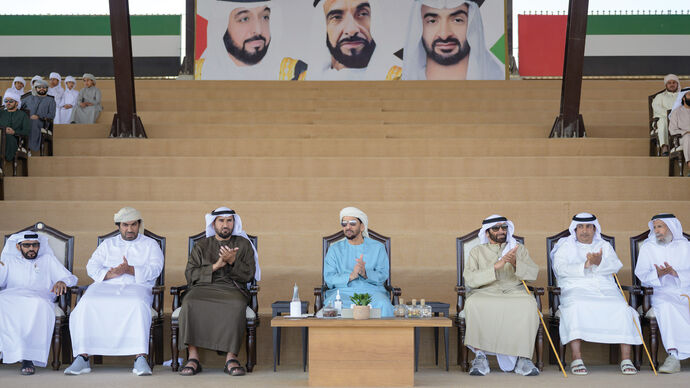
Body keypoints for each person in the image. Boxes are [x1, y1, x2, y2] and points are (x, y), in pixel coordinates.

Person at [64, 207, 163, 376]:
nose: (129, 229)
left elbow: (155, 269)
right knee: (86, 304)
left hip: (137, 287)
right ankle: (83, 357)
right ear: (119, 226)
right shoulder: (108, 244)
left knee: (137, 305)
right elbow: (92, 266)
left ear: (139, 225)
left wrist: (130, 269)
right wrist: (111, 273)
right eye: (125, 225)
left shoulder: (150, 244)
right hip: (105, 286)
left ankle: (140, 357)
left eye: (133, 225)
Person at [551, 212, 641, 375]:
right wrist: (585, 264)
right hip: (575, 288)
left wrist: (600, 262)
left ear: (595, 228)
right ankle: (577, 358)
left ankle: (626, 359)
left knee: (622, 308)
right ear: (575, 229)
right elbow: (559, 268)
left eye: (588, 227)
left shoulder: (604, 245)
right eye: (580, 227)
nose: (584, 231)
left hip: (605, 288)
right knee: (576, 307)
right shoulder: (566, 246)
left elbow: (615, 266)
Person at [177, 206, 259, 377]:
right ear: (213, 223)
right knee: (189, 302)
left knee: (236, 305)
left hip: (232, 288)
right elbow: (190, 274)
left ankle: (231, 358)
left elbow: (250, 274)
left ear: (234, 223)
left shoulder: (243, 245)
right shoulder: (202, 245)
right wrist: (216, 265)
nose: (225, 225)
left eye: (229, 220)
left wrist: (233, 261)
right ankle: (193, 358)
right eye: (221, 221)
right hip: (203, 288)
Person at [463, 215, 540, 376]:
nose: (501, 231)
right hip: (485, 291)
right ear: (487, 232)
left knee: (528, 304)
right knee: (473, 304)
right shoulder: (477, 251)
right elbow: (469, 279)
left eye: (504, 228)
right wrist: (495, 267)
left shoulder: (518, 249)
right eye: (496, 228)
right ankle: (480, 357)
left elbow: (533, 273)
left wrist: (515, 263)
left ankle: (523, 358)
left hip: (514, 291)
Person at [0, 232, 77, 375]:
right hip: (10, 297)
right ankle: (7, 351)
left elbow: (70, 278)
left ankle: (28, 357)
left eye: (35, 245)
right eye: (27, 245)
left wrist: (62, 281)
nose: (31, 249)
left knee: (36, 306)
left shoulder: (47, 260)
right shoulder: (8, 261)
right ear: (18, 247)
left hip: (39, 298)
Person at [635, 213, 690, 374]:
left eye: (660, 226)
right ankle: (674, 356)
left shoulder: (686, 247)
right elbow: (641, 274)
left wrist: (676, 273)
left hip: (684, 290)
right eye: (655, 227)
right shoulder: (648, 247)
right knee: (668, 306)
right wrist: (657, 274)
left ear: (671, 227)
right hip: (660, 292)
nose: (657, 230)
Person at [198, 0, 307, 80]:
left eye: (265, 17)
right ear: (220, 27)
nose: (258, 30)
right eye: (244, 19)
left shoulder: (296, 74)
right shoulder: (198, 73)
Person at [403, 0, 504, 80]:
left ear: (472, 25)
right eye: (432, 21)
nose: (444, 35)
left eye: (457, 20)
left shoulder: (499, 81)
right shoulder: (400, 86)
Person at [323, 207, 394, 317]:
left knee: (383, 304)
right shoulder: (334, 249)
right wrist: (351, 276)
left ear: (362, 226)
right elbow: (329, 278)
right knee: (332, 307)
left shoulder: (378, 247)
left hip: (372, 292)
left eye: (352, 223)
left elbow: (383, 274)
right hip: (342, 292)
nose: (348, 227)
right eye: (344, 224)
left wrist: (366, 274)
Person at [306, 0, 402, 80]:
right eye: (337, 17)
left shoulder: (402, 79)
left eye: (362, 14)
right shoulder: (297, 80)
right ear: (323, 28)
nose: (351, 30)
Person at [20, 79, 55, 153]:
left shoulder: (50, 100)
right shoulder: (29, 98)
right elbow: (18, 105)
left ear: (47, 89)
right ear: (35, 88)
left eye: (44, 87)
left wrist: (39, 116)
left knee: (33, 122)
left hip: (42, 122)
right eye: (39, 87)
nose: (42, 89)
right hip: (27, 120)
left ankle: (28, 148)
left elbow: (51, 115)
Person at [0, 89, 30, 173]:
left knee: (7, 138)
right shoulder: (1, 113)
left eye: (11, 101)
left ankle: (2, 164)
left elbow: (26, 131)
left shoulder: (23, 115)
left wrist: (14, 132)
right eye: (6, 101)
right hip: (0, 136)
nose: (8, 103)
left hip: (15, 139)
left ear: (17, 103)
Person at [652, 74, 680, 155]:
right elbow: (657, 108)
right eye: (669, 83)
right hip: (664, 118)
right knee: (663, 121)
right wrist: (670, 115)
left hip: (680, 118)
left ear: (677, 84)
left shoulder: (682, 96)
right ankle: (665, 147)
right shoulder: (659, 96)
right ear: (666, 85)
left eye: (674, 82)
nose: (672, 84)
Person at [668, 89, 690, 176]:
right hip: (681, 138)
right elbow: (672, 130)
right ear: (683, 98)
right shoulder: (676, 112)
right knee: (688, 137)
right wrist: (685, 132)